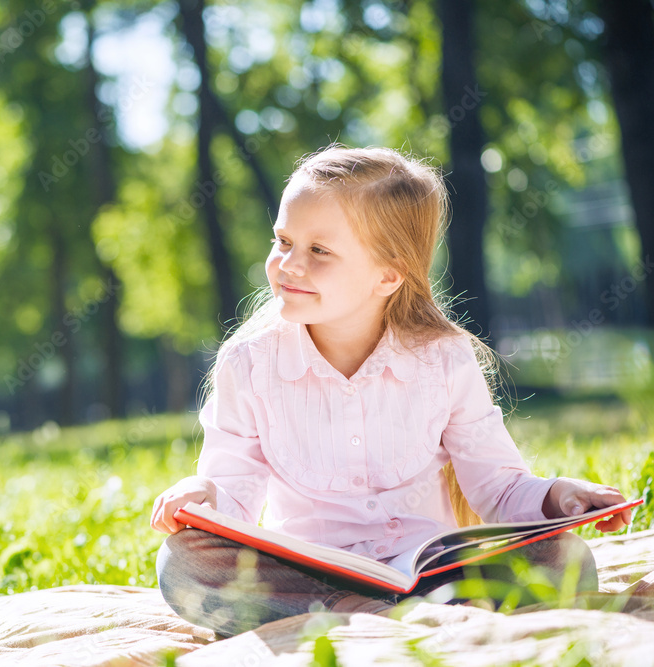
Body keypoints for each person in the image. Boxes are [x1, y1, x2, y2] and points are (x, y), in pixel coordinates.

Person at [150, 145, 633, 637]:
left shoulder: (443, 358)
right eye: (283, 240)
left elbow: (500, 488)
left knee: (563, 558)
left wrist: (559, 497)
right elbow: (233, 493)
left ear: (387, 275)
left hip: (434, 572)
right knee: (184, 564)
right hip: (307, 577)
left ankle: (370, 618)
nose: (289, 264)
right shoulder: (249, 363)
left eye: (319, 250)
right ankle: (370, 614)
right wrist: (203, 493)